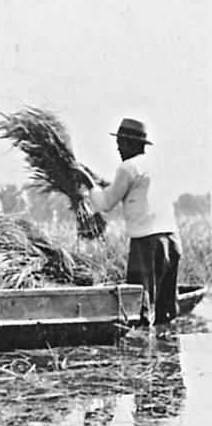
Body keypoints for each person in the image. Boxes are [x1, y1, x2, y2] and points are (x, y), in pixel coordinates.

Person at [78, 118, 181, 333]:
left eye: (121, 143)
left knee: (140, 306)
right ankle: (168, 351)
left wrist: (88, 183)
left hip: (147, 242)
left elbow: (105, 203)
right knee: (166, 309)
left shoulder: (128, 167)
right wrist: (102, 185)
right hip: (171, 240)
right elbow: (131, 192)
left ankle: (143, 356)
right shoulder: (155, 165)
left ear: (133, 143)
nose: (118, 149)